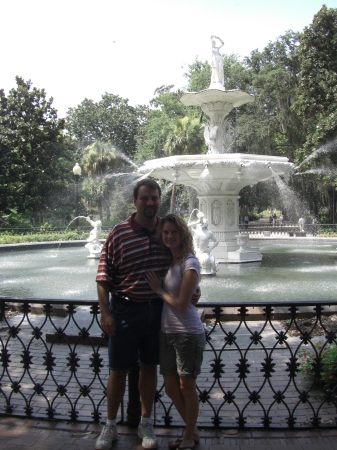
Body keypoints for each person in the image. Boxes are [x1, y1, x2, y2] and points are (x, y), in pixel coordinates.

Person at [95, 179, 200, 450]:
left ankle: (146, 421)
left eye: (154, 198)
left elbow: (183, 262)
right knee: (117, 370)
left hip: (158, 312)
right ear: (135, 201)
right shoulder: (118, 233)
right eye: (145, 198)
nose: (150, 203)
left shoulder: (167, 230)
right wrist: (105, 312)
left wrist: (193, 291)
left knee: (150, 368)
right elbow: (103, 276)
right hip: (126, 310)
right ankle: (110, 426)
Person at [145, 214, 206, 450]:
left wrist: (159, 290)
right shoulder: (171, 262)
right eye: (166, 232)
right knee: (171, 388)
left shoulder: (190, 263)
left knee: (186, 387)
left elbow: (182, 304)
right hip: (167, 333)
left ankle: (189, 436)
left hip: (188, 334)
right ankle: (193, 430)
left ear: (183, 234)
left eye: (174, 232)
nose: (169, 236)